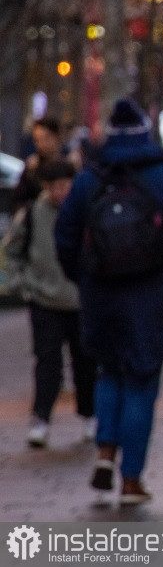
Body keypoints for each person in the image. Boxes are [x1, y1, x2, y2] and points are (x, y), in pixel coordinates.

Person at [54, 99, 163, 506]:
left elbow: (65, 235)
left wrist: (84, 277)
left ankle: (105, 450)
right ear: (145, 132)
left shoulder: (89, 180)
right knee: (142, 379)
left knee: (109, 371)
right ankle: (132, 480)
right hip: (155, 296)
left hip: (102, 294)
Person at [2, 160, 96, 449]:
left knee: (86, 362)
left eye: (66, 186)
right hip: (44, 300)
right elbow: (10, 252)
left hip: (81, 301)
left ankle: (90, 414)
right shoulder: (32, 215)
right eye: (55, 187)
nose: (61, 192)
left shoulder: (86, 211)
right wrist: (22, 284)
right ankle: (40, 419)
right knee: (47, 362)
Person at [10, 118, 67, 215]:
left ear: (57, 137)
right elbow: (19, 200)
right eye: (37, 140)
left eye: (46, 138)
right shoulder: (32, 168)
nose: (41, 144)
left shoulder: (68, 165)